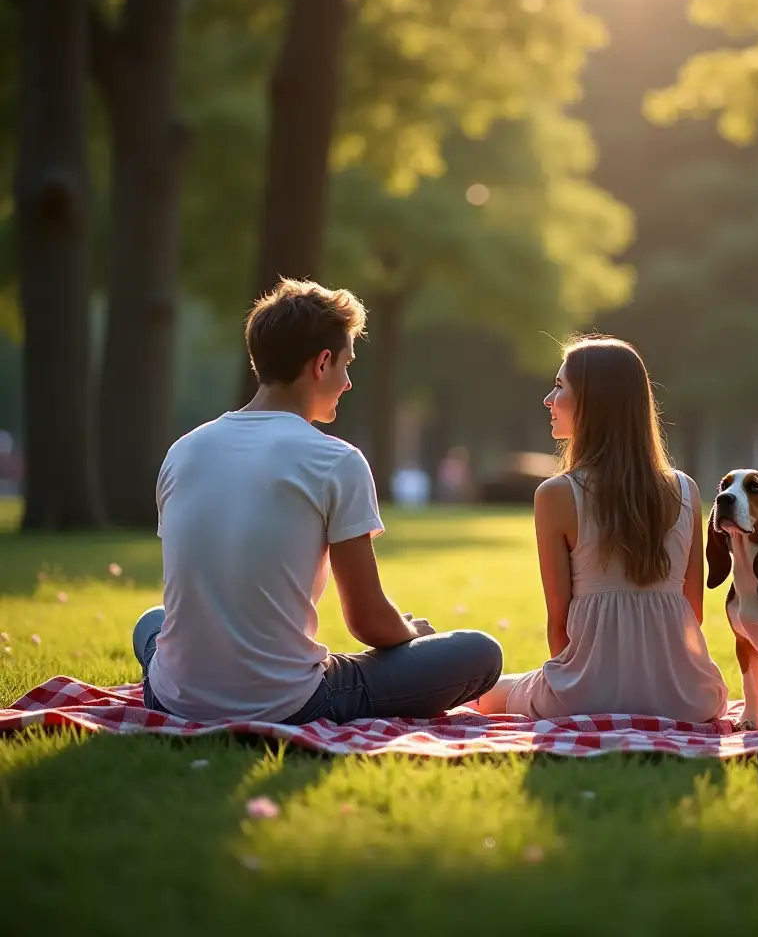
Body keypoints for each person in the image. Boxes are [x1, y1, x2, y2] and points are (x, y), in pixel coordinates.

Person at [132, 278, 502, 724]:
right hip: (290, 704)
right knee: (482, 653)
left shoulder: (183, 451)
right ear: (322, 363)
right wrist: (410, 633)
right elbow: (367, 621)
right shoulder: (336, 460)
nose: (348, 382)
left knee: (151, 622)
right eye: (347, 364)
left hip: (173, 696)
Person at [470, 336, 728, 721]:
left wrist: (577, 684)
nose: (548, 399)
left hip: (581, 697)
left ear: (591, 404)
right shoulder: (686, 490)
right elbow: (694, 612)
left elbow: (559, 626)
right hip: (688, 697)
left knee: (483, 695)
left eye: (559, 387)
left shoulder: (556, 495)